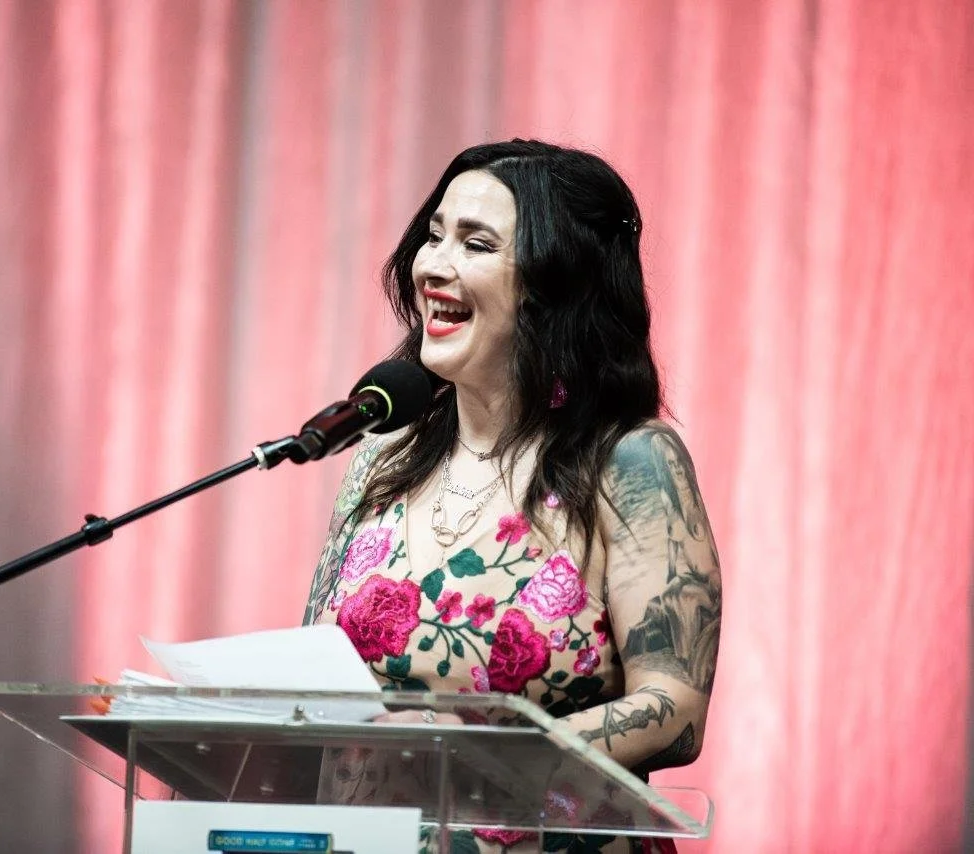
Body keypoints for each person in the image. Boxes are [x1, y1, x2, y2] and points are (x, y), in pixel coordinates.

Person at [303, 140, 722, 854]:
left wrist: (470, 750)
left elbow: (675, 711)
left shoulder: (629, 460)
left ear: (555, 287)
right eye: (434, 236)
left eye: (476, 244)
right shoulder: (381, 456)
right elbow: (312, 681)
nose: (433, 266)